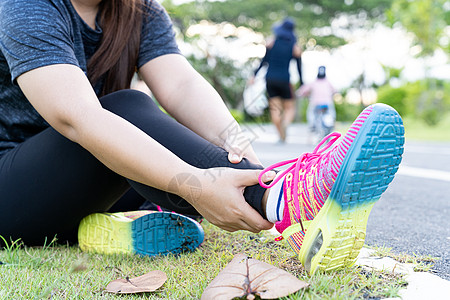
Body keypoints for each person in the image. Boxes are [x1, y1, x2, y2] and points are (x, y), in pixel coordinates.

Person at [0, 0, 405, 274]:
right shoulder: (28, 6)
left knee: (175, 159)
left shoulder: (137, 9)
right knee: (125, 109)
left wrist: (236, 146)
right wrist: (195, 184)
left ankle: (289, 208)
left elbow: (179, 85)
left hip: (82, 186)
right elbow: (78, 118)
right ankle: (281, 199)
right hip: (11, 189)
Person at [250, 17, 303, 143]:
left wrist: (254, 75)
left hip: (270, 79)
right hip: (284, 79)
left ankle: (281, 135)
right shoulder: (294, 47)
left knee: (275, 108)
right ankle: (285, 123)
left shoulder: (271, 43)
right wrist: (302, 83)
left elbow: (263, 62)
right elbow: (299, 67)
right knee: (290, 108)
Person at [298, 66, 337, 142]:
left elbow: (302, 91)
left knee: (311, 114)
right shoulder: (328, 82)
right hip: (327, 103)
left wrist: (301, 94)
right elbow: (335, 90)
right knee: (331, 114)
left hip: (315, 104)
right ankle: (330, 126)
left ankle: (312, 127)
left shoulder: (313, 82)